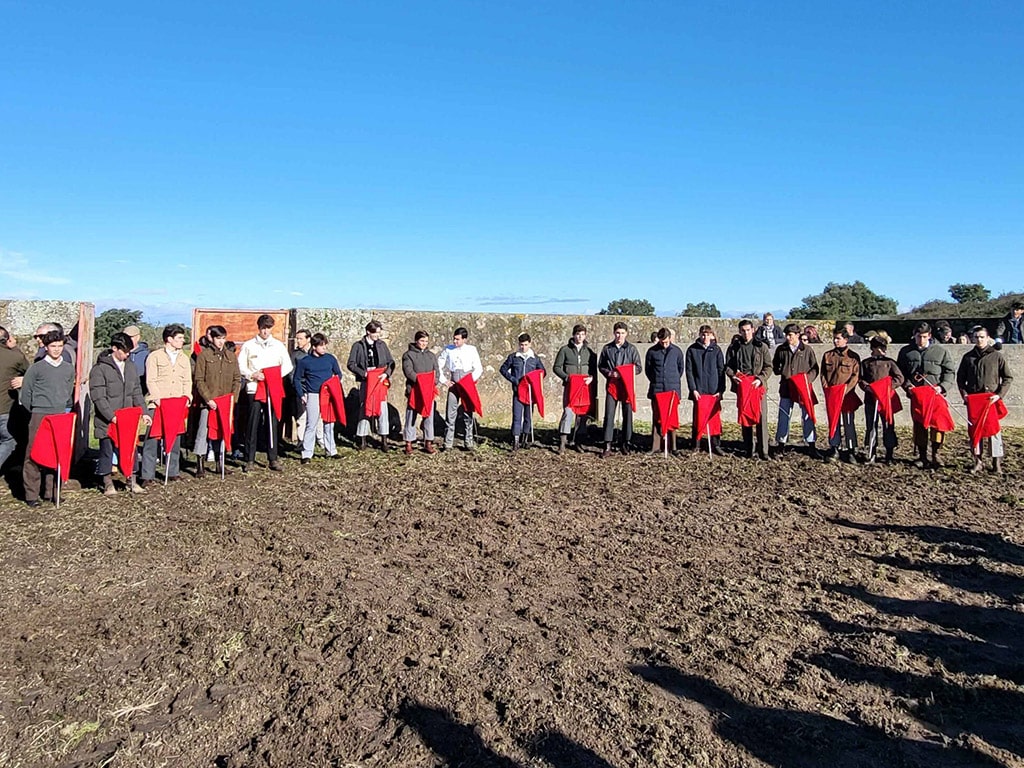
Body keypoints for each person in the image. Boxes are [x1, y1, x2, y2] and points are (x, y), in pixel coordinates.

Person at [91, 332, 150, 495]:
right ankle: (108, 482)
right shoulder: (100, 369)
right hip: (108, 419)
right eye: (124, 351)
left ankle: (132, 480)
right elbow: (98, 396)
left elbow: (136, 391)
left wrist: (144, 412)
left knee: (131, 449)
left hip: (128, 417)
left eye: (129, 351)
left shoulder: (130, 366)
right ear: (114, 348)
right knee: (107, 450)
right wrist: (111, 416)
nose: (127, 354)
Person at [20, 330, 75, 506]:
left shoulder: (68, 368)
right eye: (53, 346)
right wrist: (37, 409)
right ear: (45, 347)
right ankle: (31, 495)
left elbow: (68, 390)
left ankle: (52, 492)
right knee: (34, 454)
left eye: (60, 346)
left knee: (58, 453)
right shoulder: (36, 368)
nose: (57, 349)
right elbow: (26, 393)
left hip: (60, 415)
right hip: (40, 414)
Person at [897, 322, 956, 469]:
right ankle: (922, 455)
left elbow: (949, 372)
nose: (921, 340)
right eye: (918, 336)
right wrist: (907, 386)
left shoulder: (941, 351)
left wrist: (942, 387)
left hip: (936, 394)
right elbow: (901, 373)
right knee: (919, 425)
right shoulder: (906, 352)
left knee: (937, 425)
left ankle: (936, 453)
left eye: (924, 336)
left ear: (929, 336)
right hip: (917, 395)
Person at [238, 314, 293, 471]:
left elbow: (287, 365)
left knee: (272, 424)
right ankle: (249, 459)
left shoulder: (278, 345)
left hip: (272, 389)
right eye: (263, 328)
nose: (266, 331)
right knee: (252, 423)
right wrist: (252, 374)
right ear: (259, 327)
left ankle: (273, 458)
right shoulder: (249, 345)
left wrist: (273, 377)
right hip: (254, 388)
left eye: (268, 328)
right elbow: (241, 366)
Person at [140, 324, 192, 485]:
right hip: (158, 404)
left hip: (176, 404)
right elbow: (151, 379)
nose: (183, 341)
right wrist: (156, 398)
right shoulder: (154, 356)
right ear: (169, 339)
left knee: (175, 439)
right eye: (180, 338)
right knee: (152, 440)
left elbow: (187, 380)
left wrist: (186, 397)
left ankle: (172, 471)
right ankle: (147, 475)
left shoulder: (184, 358)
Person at [957, 326, 1013, 473]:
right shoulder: (968, 357)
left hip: (991, 399)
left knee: (994, 432)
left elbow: (1007, 377)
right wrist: (964, 395)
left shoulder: (997, 356)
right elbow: (960, 379)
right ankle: (978, 461)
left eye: (982, 337)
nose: (979, 339)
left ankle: (996, 464)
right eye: (976, 337)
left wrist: (999, 395)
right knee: (975, 432)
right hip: (974, 400)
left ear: (988, 338)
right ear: (973, 339)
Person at [193, 325, 242, 477]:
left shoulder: (231, 356)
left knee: (223, 431)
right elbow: (199, 380)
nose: (221, 342)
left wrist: (233, 398)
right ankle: (200, 464)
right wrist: (208, 399)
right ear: (212, 339)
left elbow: (237, 379)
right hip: (209, 402)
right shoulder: (204, 356)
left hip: (225, 401)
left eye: (223, 338)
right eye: (218, 338)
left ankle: (220, 463)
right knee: (203, 432)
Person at [725, 319, 773, 460]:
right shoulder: (734, 347)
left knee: (761, 418)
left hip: (757, 386)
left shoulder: (761, 346)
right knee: (745, 417)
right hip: (743, 386)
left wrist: (761, 379)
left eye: (748, 330)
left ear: (753, 330)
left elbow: (768, 366)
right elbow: (728, 367)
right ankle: (748, 449)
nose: (746, 333)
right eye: (743, 330)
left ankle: (763, 450)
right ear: (739, 332)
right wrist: (733, 376)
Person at [294, 332, 344, 463]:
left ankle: (331, 451)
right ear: (314, 346)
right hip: (313, 394)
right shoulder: (304, 362)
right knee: (311, 424)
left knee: (329, 423)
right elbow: (297, 379)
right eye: (322, 346)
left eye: (325, 346)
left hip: (328, 395)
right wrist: (302, 395)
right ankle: (307, 454)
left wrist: (333, 384)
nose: (324, 348)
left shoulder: (330, 359)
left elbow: (338, 374)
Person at [773, 323, 820, 457]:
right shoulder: (781, 349)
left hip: (802, 388)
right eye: (786, 335)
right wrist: (781, 370)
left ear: (798, 335)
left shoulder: (807, 350)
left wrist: (807, 380)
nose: (788, 338)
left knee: (807, 415)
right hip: (787, 387)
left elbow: (815, 368)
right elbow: (775, 366)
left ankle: (811, 444)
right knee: (784, 415)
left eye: (790, 335)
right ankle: (781, 444)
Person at [347, 320, 396, 451]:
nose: (378, 336)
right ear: (368, 331)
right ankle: (362, 439)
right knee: (365, 408)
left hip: (380, 379)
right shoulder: (358, 346)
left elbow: (391, 362)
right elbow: (351, 364)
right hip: (366, 380)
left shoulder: (382, 345)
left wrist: (386, 374)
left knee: (382, 408)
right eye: (376, 333)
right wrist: (364, 374)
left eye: (379, 333)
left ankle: (384, 440)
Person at [598, 322, 642, 457]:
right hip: (612, 386)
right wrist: (609, 373)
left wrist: (625, 372)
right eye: (617, 333)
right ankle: (607, 444)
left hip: (627, 386)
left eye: (622, 333)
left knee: (627, 414)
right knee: (609, 414)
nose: (620, 336)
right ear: (614, 333)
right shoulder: (607, 348)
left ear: (626, 334)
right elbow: (601, 366)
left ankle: (626, 443)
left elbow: (639, 367)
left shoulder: (632, 349)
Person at [858, 335, 904, 464]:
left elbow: (899, 378)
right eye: (880, 348)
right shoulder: (866, 363)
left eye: (884, 348)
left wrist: (888, 387)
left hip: (885, 399)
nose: (883, 350)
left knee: (888, 425)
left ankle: (889, 454)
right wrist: (867, 387)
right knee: (871, 425)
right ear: (873, 348)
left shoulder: (890, 363)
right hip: (871, 399)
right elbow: (861, 379)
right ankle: (871, 452)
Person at [553, 324, 597, 454]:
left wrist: (592, 378)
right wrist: (567, 378)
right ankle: (562, 442)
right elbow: (557, 367)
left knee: (582, 414)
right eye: (578, 334)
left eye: (582, 334)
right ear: (573, 335)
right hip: (570, 386)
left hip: (584, 386)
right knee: (568, 411)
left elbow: (594, 369)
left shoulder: (589, 352)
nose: (580, 337)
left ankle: (578, 442)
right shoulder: (565, 350)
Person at [438, 327, 484, 451]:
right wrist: (444, 380)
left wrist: (470, 381)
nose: (455, 341)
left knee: (467, 411)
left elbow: (478, 368)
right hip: (453, 383)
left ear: (464, 339)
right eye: (454, 338)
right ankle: (448, 443)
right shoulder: (448, 349)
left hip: (466, 382)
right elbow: (438, 365)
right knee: (450, 412)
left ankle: (468, 441)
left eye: (458, 339)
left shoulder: (471, 350)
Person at [820, 329, 861, 462]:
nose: (835, 341)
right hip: (832, 393)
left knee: (849, 423)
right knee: (834, 421)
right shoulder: (828, 355)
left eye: (838, 338)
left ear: (845, 340)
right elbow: (823, 375)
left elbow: (855, 376)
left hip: (847, 395)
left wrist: (845, 390)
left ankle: (851, 450)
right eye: (834, 338)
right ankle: (834, 447)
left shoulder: (853, 357)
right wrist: (827, 389)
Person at [500, 333, 546, 452]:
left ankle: (525, 439)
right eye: (521, 345)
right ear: (518, 344)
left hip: (530, 392)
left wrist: (534, 381)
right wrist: (514, 380)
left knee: (528, 417)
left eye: (526, 345)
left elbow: (542, 372)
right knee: (517, 416)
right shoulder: (513, 357)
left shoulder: (535, 358)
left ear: (530, 344)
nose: (523, 347)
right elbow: (503, 369)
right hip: (518, 391)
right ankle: (515, 440)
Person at [684, 325, 725, 454]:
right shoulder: (692, 350)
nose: (705, 337)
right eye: (703, 334)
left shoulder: (717, 350)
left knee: (714, 418)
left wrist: (721, 390)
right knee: (698, 417)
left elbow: (721, 371)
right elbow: (689, 371)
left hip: (713, 390)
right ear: (699, 335)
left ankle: (715, 444)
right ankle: (696, 444)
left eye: (707, 334)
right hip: (699, 390)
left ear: (712, 335)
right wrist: (693, 389)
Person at [401, 330, 440, 455]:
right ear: (416, 340)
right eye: (422, 341)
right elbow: (408, 371)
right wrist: (421, 382)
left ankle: (428, 441)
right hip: (414, 389)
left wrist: (433, 382)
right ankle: (408, 442)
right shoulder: (408, 355)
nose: (424, 343)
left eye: (426, 341)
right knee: (411, 416)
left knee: (428, 416)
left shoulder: (431, 356)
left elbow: (436, 371)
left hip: (428, 391)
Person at [0, 325, 29, 474]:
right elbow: (29, 372)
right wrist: (15, 348)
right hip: (4, 408)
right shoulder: (14, 356)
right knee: (8, 440)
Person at [287, 329, 314, 446]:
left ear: (308, 339)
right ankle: (301, 441)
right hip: (300, 389)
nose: (298, 341)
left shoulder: (314, 353)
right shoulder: (295, 355)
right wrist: (297, 388)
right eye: (297, 338)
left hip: (313, 388)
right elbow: (291, 373)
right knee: (301, 416)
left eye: (300, 338)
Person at [123, 325, 150, 393]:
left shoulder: (147, 355)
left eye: (130, 337)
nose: (127, 340)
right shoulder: (119, 353)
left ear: (138, 337)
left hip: (140, 392)